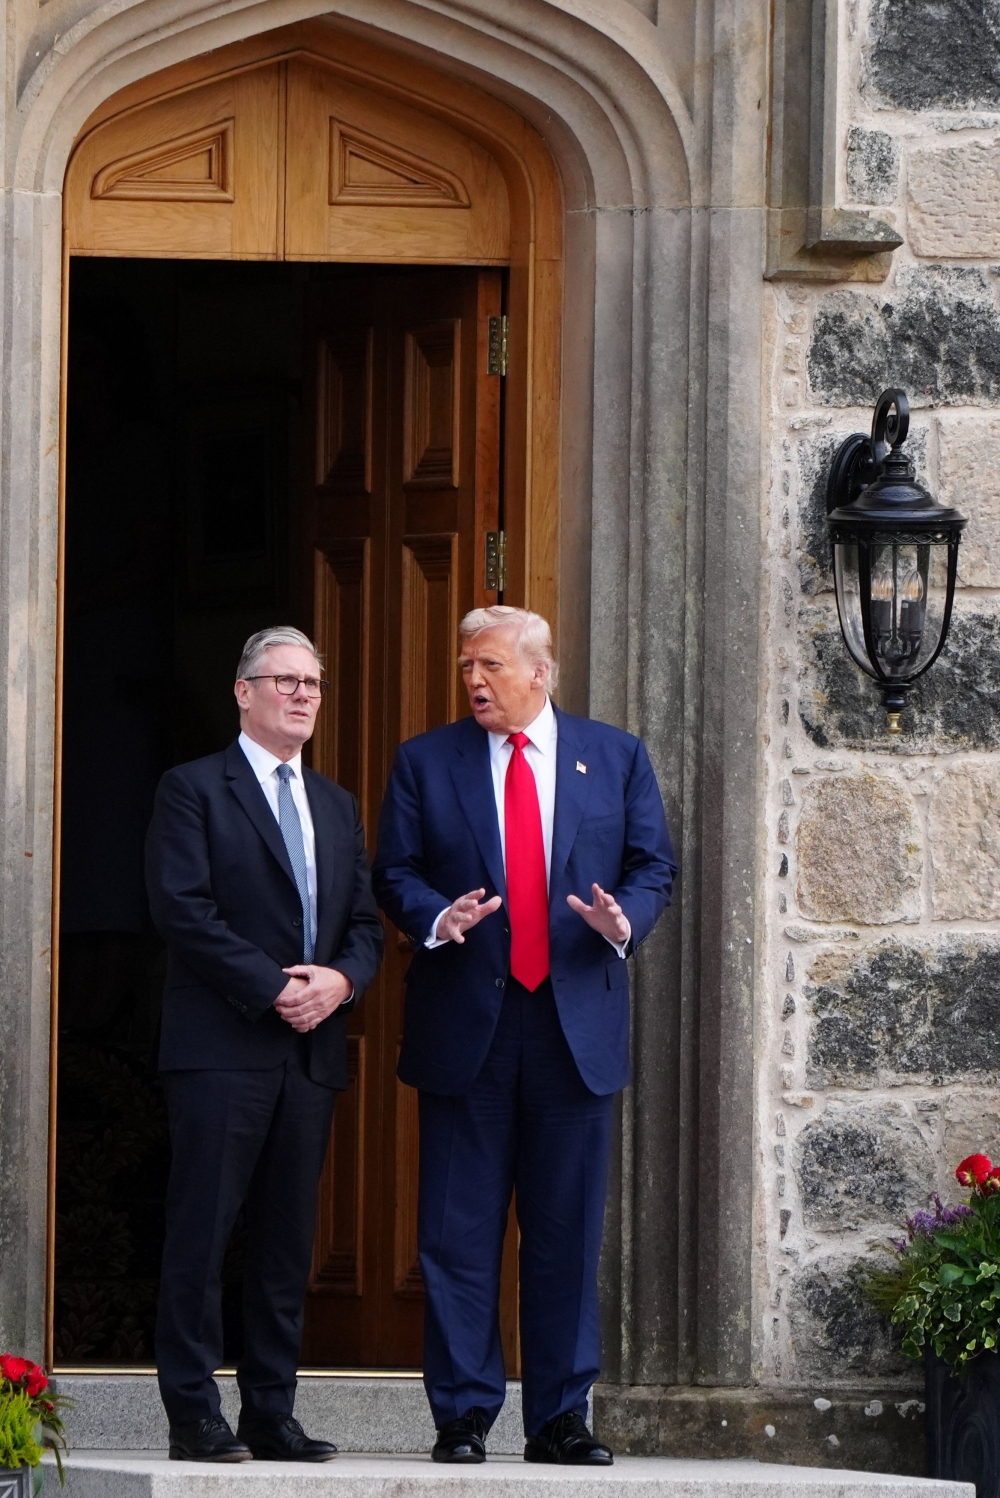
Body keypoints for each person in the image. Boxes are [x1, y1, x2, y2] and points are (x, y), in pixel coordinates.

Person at [373, 605, 676, 1466]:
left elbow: (655, 864)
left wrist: (625, 920)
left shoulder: (614, 756)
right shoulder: (426, 761)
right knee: (457, 1234)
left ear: (542, 672)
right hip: (467, 1023)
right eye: (467, 664)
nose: (474, 679)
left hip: (572, 1025)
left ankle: (558, 1417)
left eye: (492, 665)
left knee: (565, 1232)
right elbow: (392, 870)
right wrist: (436, 915)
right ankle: (463, 1415)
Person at [145, 626, 383, 1463]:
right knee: (202, 1234)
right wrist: (274, 985)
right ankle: (191, 1414)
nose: (302, 694)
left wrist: (341, 984)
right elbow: (183, 910)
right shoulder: (192, 789)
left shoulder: (336, 804)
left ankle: (269, 1411)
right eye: (283, 680)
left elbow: (361, 923)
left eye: (313, 683)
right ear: (243, 693)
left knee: (288, 1241)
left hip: (310, 1053)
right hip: (221, 1047)